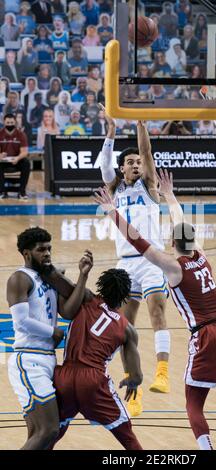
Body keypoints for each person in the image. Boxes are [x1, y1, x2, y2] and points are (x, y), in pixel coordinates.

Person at [94, 170, 216, 451]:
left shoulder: (175, 267)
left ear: (172, 244)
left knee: (193, 403)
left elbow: (140, 242)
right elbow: (182, 224)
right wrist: (170, 196)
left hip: (206, 335)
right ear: (192, 241)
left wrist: (113, 212)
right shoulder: (202, 256)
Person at [99, 109, 170, 418]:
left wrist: (142, 124)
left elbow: (147, 151)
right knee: (127, 330)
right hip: (126, 264)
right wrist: (112, 130)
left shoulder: (149, 186)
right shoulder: (116, 189)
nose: (137, 164)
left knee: (157, 310)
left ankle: (163, 372)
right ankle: (135, 389)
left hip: (152, 258)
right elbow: (104, 165)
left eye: (138, 162)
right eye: (131, 162)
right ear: (122, 168)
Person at [6, 226, 92, 449]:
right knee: (49, 430)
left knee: (42, 435)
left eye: (49, 249)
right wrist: (53, 331)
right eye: (41, 250)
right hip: (28, 359)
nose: (47, 254)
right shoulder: (19, 278)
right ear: (27, 253)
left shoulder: (50, 277)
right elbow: (21, 322)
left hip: (48, 358)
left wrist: (83, 276)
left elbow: (69, 311)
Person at [43, 262, 143, 450]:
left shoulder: (86, 298)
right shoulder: (128, 329)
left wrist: (58, 270)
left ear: (102, 286)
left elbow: (56, 278)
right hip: (93, 380)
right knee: (127, 436)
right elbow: (136, 375)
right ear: (125, 297)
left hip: (64, 376)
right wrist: (133, 382)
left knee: (51, 435)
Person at [0, 114, 29, 200]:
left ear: (15, 122)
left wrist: (17, 158)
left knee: (26, 163)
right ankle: (2, 191)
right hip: (3, 162)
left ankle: (22, 192)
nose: (9, 124)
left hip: (17, 161)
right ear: (4, 122)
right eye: (8, 122)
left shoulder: (21, 134)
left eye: (11, 122)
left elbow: (25, 152)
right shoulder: (0, 134)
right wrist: (0, 155)